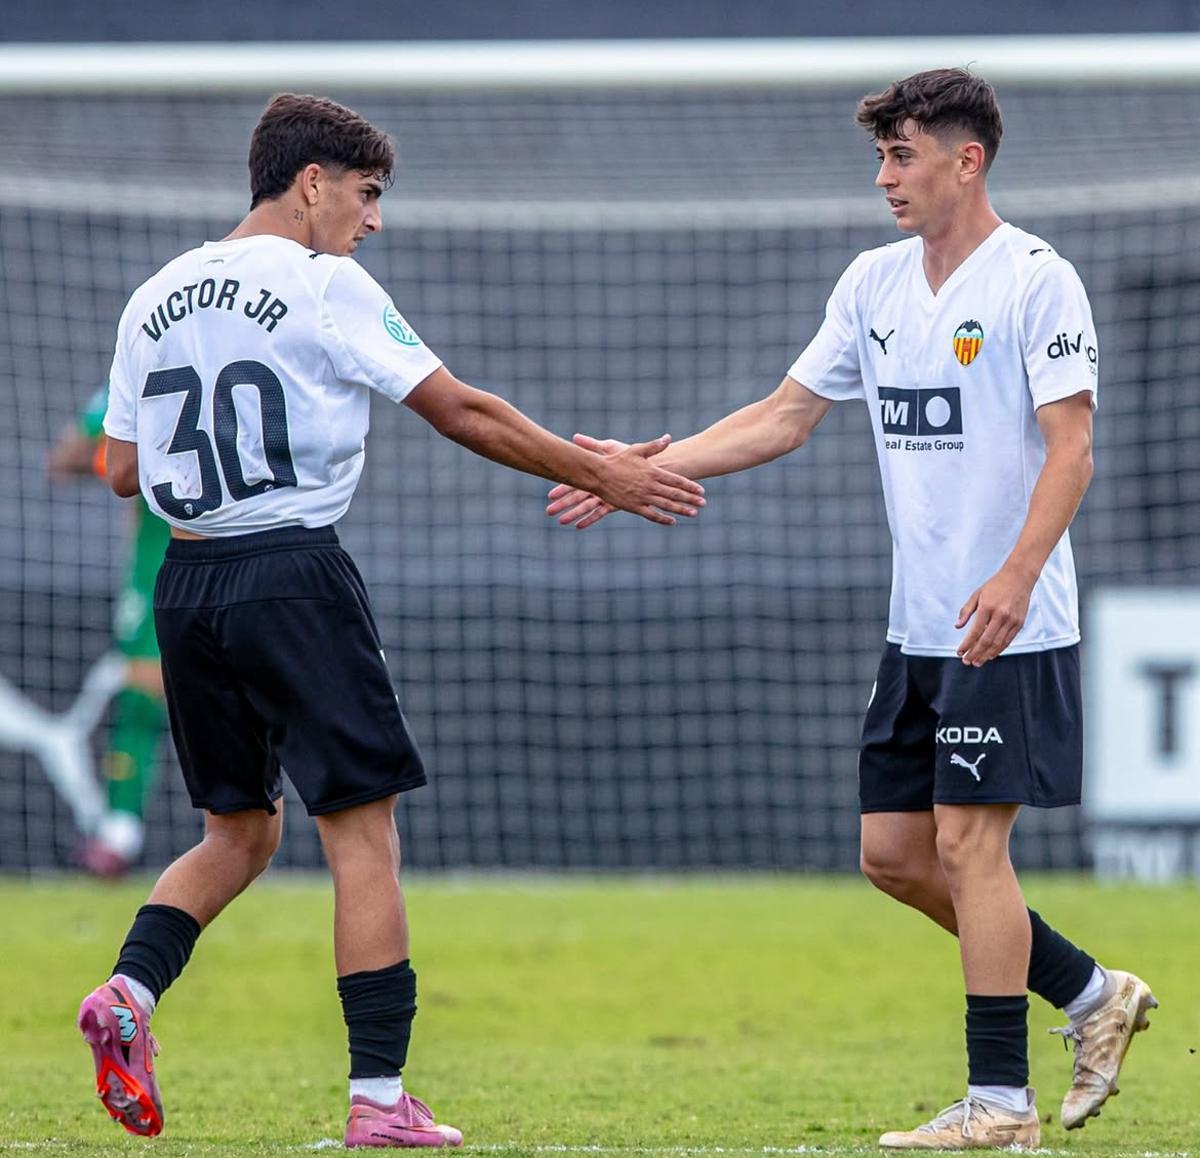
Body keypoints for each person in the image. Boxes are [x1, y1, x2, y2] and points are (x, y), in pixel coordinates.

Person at [76, 92, 705, 1148]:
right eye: (366, 196)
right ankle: (380, 1101)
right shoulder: (325, 284)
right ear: (313, 183)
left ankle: (130, 995)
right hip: (293, 576)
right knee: (362, 837)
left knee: (236, 832)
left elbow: (121, 471)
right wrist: (603, 469)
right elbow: (460, 408)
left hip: (185, 589)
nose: (372, 221)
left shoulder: (155, 297)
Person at [547, 68, 1156, 1150]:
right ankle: (1093, 994)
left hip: (1006, 624)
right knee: (894, 857)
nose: (886, 177)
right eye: (880, 157)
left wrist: (1017, 574)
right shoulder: (873, 284)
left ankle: (999, 1108)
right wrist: (637, 470)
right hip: (918, 625)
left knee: (971, 848)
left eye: (904, 154)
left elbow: (1074, 446)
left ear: (966, 161)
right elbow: (784, 416)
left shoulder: (1036, 281)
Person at [49, 384, 172, 876]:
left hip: (215, 552)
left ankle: (248, 819)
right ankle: (120, 830)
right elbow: (66, 459)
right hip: (156, 561)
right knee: (143, 693)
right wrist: (113, 459)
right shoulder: (133, 380)